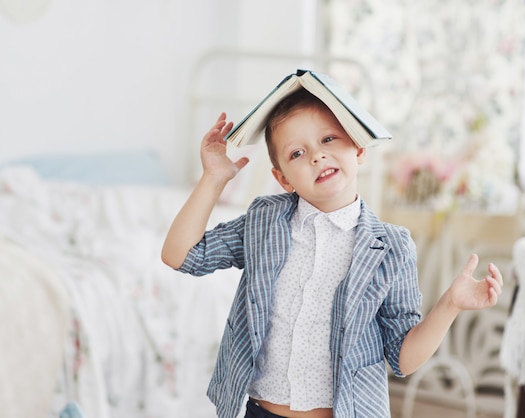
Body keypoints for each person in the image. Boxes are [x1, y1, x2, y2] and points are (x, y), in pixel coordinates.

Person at [161, 89, 503, 418]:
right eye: (297, 153)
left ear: (358, 149)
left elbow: (403, 359)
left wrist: (450, 304)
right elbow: (182, 255)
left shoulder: (391, 248)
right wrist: (213, 178)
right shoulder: (263, 221)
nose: (316, 156)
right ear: (283, 179)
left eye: (328, 140)